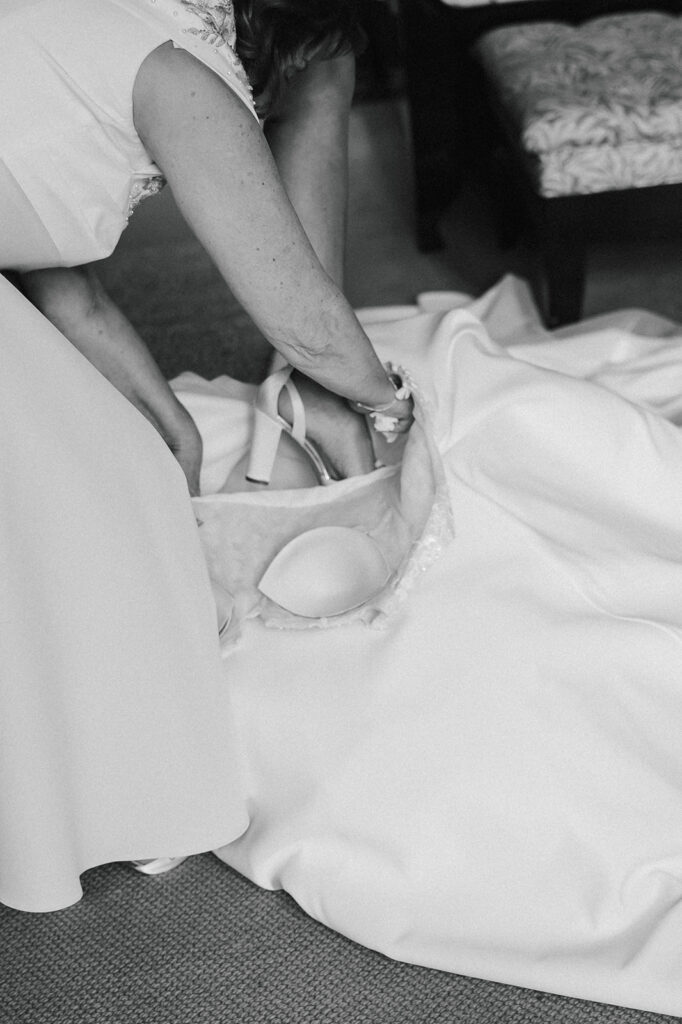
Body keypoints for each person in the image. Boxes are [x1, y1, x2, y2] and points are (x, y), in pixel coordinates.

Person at [0, 0, 411, 913]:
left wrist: (164, 429)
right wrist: (389, 403)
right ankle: (95, 781)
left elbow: (57, 274)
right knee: (71, 521)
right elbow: (302, 318)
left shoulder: (86, 27)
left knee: (129, 466)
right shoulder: (180, 72)